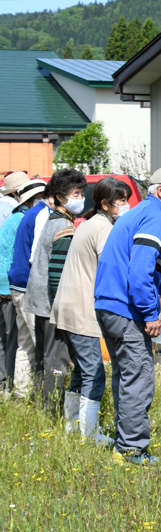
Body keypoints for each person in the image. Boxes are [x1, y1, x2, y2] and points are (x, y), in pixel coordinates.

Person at [95, 166, 161, 465]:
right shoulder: (153, 216)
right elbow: (140, 272)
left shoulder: (136, 213)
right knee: (139, 378)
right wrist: (150, 312)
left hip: (108, 304)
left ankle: (123, 441)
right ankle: (132, 450)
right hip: (126, 308)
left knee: (125, 377)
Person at [52, 177, 131, 442]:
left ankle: (72, 428)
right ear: (105, 204)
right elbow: (112, 269)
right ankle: (89, 435)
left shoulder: (89, 223)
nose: (127, 205)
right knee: (95, 373)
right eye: (122, 201)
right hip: (81, 308)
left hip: (67, 306)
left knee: (81, 370)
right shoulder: (103, 229)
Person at [25, 169, 87, 407]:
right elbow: (57, 275)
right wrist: (61, 307)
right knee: (56, 358)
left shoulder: (52, 218)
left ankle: (41, 403)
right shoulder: (64, 226)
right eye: (75, 193)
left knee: (42, 355)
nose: (80, 198)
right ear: (61, 197)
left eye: (82, 192)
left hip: (38, 299)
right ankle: (52, 409)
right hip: (52, 303)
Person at [0, 179, 45, 398]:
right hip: (18, 286)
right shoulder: (29, 217)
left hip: (10, 285)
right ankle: (35, 392)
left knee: (20, 342)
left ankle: (19, 391)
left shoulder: (15, 217)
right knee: (28, 341)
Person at [9, 176, 52, 400]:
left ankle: (22, 394)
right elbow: (39, 256)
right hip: (29, 286)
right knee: (39, 344)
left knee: (24, 343)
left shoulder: (27, 215)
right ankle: (43, 397)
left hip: (17, 284)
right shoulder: (43, 214)